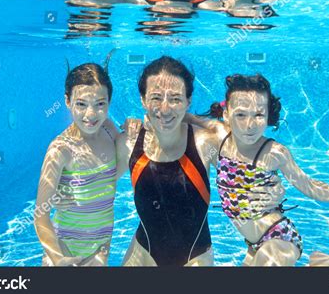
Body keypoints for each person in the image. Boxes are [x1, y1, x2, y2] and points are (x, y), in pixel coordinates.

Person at [186, 73, 329, 266]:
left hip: (278, 236)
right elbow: (181, 117)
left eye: (258, 115)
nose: (249, 125)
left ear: (268, 116)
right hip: (252, 244)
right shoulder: (219, 137)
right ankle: (325, 262)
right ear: (226, 115)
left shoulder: (274, 152)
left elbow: (310, 186)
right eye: (240, 114)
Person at [115, 57, 285, 266]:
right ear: (143, 99)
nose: (165, 109)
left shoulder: (205, 143)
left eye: (176, 99)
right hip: (141, 255)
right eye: (156, 98)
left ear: (188, 101)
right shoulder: (130, 143)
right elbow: (97, 183)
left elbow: (251, 168)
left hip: (195, 259)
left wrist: (274, 189)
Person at [34, 61, 121, 266]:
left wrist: (132, 129)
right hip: (64, 246)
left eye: (100, 104)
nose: (91, 115)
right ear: (67, 100)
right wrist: (58, 258)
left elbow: (126, 159)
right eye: (81, 104)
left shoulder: (109, 130)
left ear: (109, 101)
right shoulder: (60, 150)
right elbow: (40, 216)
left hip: (101, 247)